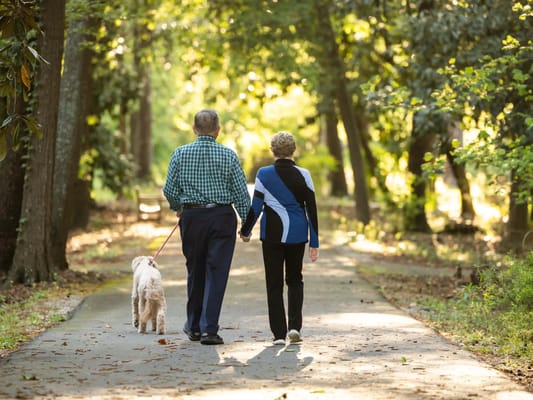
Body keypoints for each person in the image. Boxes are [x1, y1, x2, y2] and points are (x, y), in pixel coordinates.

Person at [163, 109, 251, 345]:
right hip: (222, 217)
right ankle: (209, 330)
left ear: (194, 129)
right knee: (216, 272)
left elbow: (169, 190)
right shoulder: (229, 155)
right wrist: (246, 226)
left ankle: (193, 326)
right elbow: (241, 194)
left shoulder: (180, 154)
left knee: (195, 269)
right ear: (218, 130)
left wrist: (179, 206)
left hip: (192, 218)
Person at [239, 131, 319, 346]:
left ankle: (278, 334)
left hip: (272, 235)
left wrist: (245, 230)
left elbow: (256, 207)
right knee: (295, 279)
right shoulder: (304, 174)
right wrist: (314, 242)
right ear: (294, 150)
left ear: (272, 150)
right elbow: (311, 209)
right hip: (297, 234)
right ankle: (295, 327)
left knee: (273, 283)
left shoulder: (264, 174)